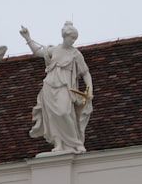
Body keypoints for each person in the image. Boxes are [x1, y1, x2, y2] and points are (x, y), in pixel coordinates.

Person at [20, 22, 94, 154]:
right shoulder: (54, 50)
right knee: (53, 116)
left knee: (64, 112)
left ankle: (76, 143)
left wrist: (90, 90)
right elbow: (37, 52)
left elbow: (85, 73)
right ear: (65, 36)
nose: (73, 41)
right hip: (49, 86)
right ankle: (59, 144)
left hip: (65, 87)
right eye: (72, 38)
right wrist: (28, 38)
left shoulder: (75, 54)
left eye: (74, 39)